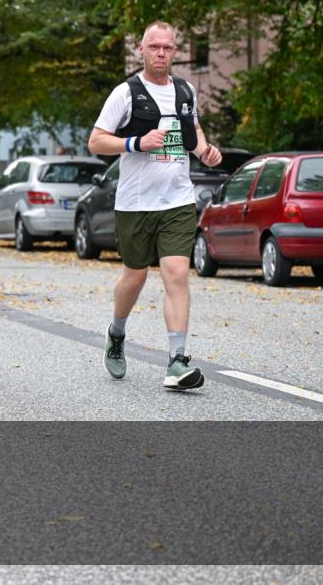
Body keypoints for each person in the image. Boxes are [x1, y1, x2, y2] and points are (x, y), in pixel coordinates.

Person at [88, 20, 223, 391]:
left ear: (175, 52)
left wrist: (207, 153)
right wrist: (136, 143)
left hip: (177, 200)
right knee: (135, 276)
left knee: (177, 274)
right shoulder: (126, 93)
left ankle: (177, 361)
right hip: (134, 203)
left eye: (167, 48)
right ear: (142, 50)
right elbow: (96, 142)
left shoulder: (185, 91)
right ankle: (116, 333)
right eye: (154, 47)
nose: (160, 53)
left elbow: (192, 135)